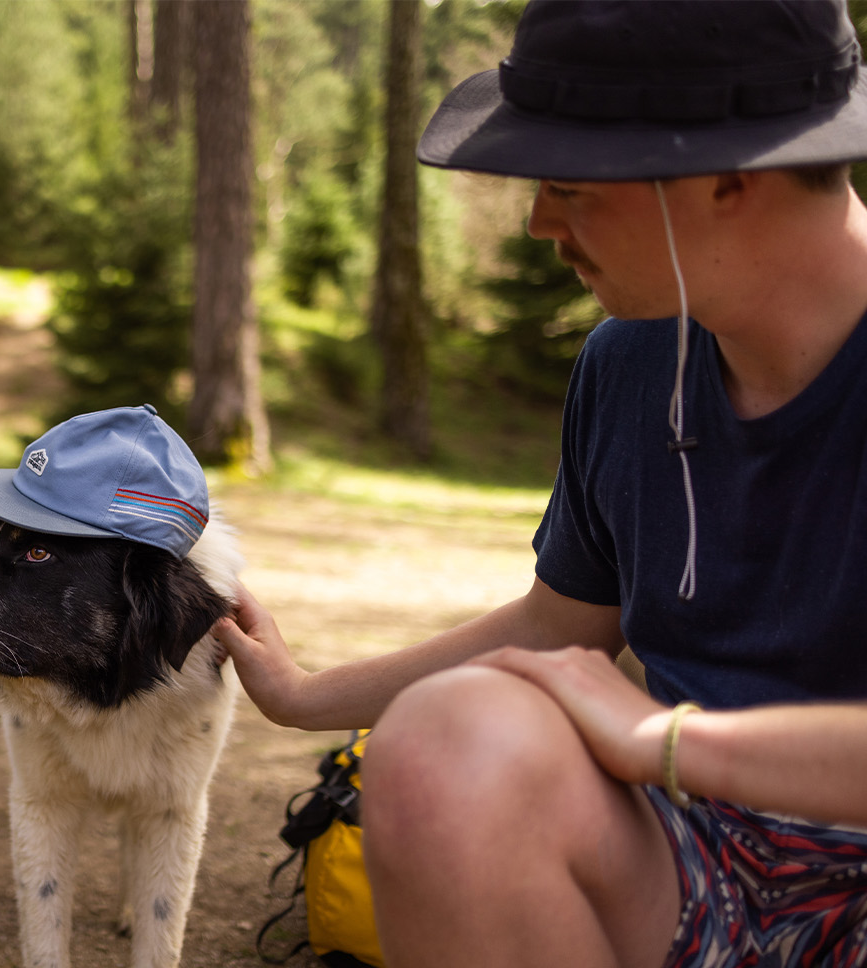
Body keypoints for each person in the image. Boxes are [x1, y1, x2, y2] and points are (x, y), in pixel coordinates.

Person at [213, 2, 867, 966]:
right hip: (688, 857)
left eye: (570, 184)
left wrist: (671, 742)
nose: (536, 224)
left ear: (732, 173)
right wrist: (305, 693)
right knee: (443, 742)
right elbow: (560, 626)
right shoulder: (632, 363)